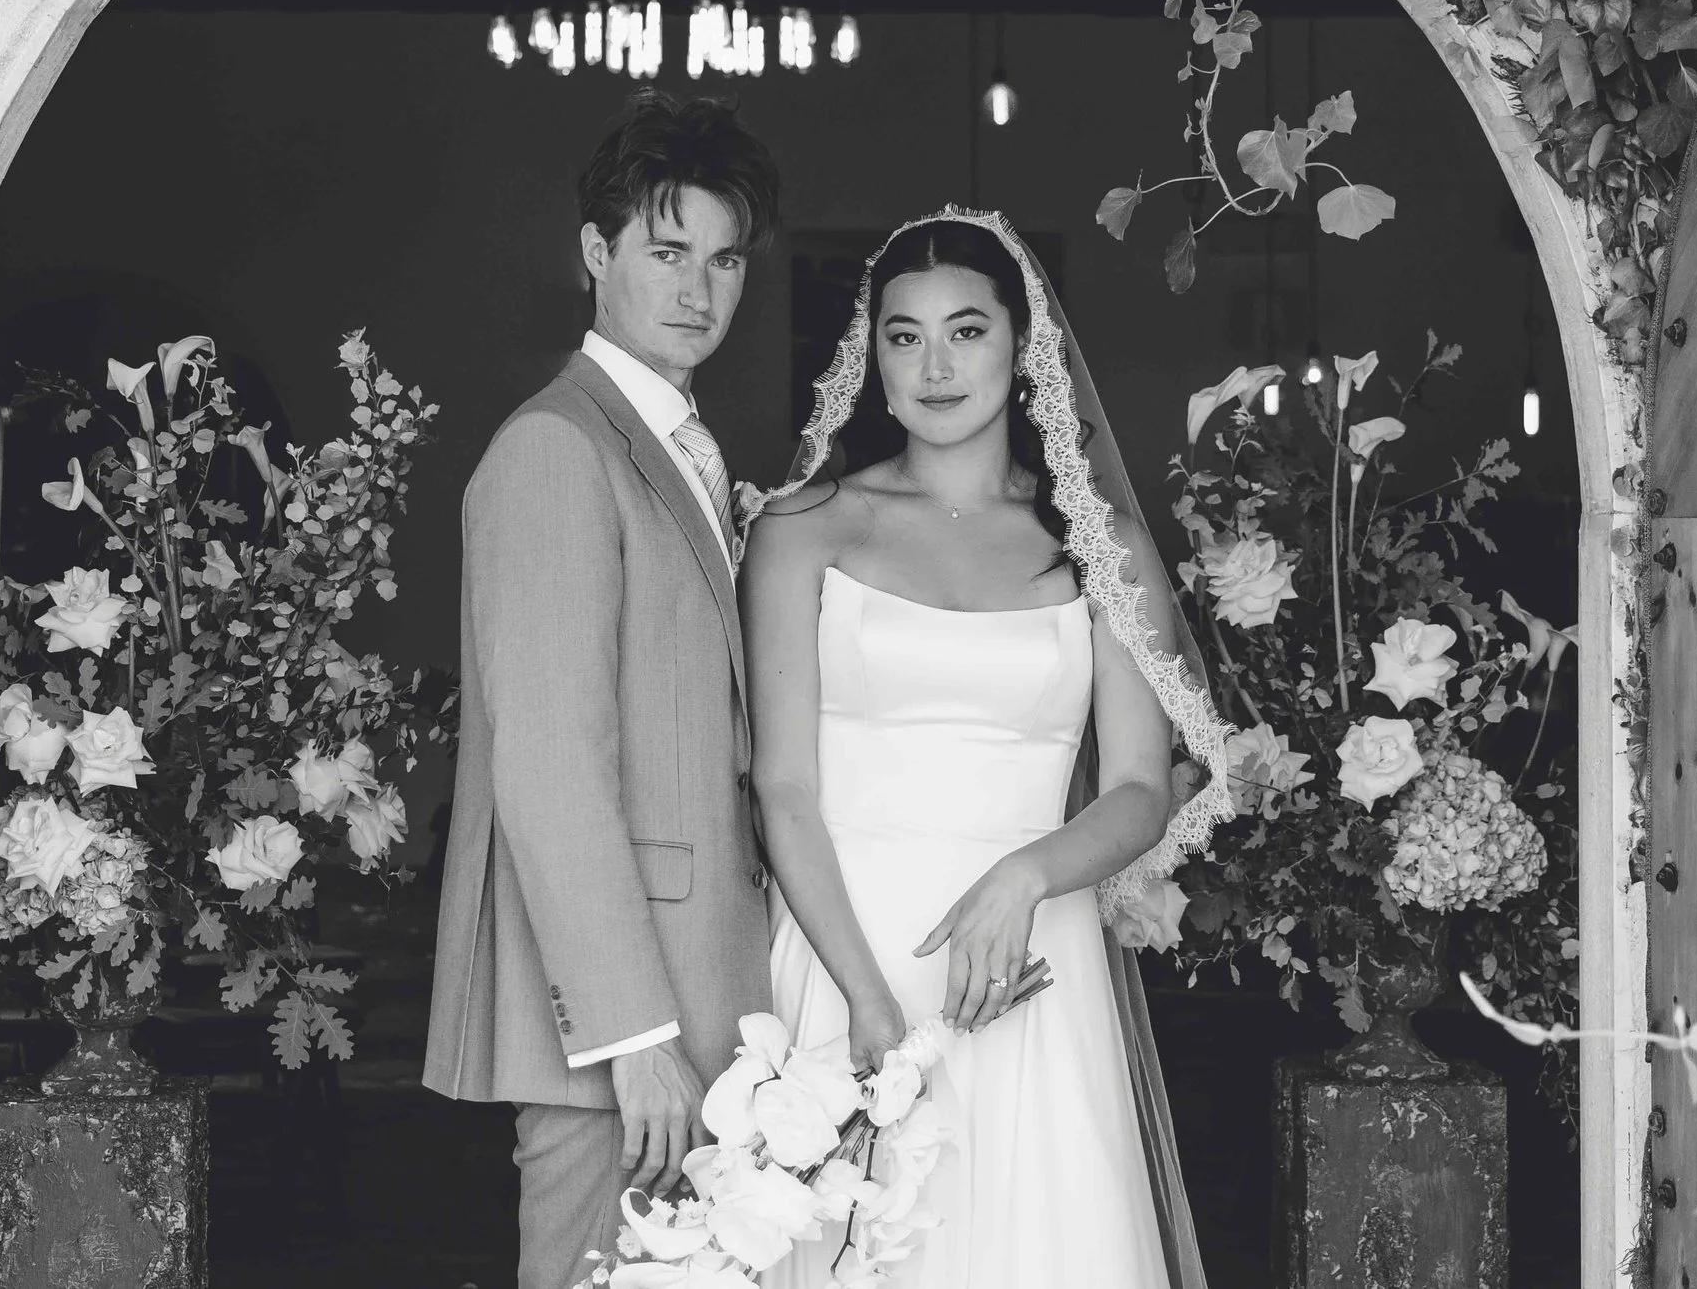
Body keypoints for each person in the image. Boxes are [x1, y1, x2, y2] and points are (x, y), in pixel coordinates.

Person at [743, 209, 1225, 1288]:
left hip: (1035, 968)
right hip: (840, 951)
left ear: (1024, 347)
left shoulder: (1101, 547)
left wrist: (1026, 873)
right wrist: (865, 998)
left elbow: (1142, 786)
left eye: (966, 330)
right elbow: (780, 786)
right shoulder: (801, 527)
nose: (935, 363)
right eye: (902, 336)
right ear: (871, 359)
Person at [425, 89, 783, 1289]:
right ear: (596, 253)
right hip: (617, 1028)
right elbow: (547, 758)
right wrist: (634, 1037)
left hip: (709, 990)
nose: (698, 289)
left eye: (723, 259)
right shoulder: (555, 448)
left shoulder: (678, 440)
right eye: (665, 251)